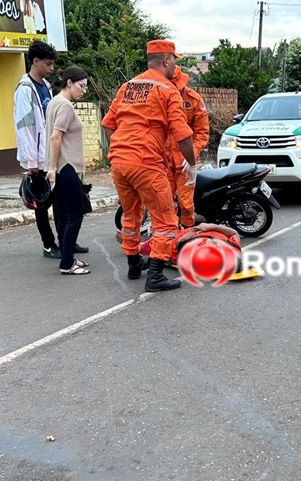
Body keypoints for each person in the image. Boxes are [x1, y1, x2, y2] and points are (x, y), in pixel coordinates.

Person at [102, 39, 197, 292]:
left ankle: (134, 265)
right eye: (174, 59)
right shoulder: (167, 90)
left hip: (119, 163)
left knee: (131, 215)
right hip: (146, 163)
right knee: (165, 221)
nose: (175, 63)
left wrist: (121, 149)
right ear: (166, 60)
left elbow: (108, 124)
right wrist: (192, 164)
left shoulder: (127, 86)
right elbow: (183, 134)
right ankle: (154, 275)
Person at [13, 40, 88, 260]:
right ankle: (49, 244)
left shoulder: (45, 87)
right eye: (48, 64)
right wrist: (31, 162)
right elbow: (24, 126)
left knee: (59, 204)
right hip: (37, 156)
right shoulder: (25, 89)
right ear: (35, 62)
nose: (52, 68)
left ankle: (66, 242)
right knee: (42, 203)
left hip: (49, 153)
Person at [45, 66, 90, 275]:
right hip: (65, 167)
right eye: (81, 86)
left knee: (63, 216)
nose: (84, 90)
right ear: (69, 83)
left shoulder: (54, 101)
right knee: (75, 216)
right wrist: (54, 168)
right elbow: (56, 137)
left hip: (58, 168)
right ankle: (67, 263)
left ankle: (67, 258)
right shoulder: (65, 105)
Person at [168, 66, 209, 228]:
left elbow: (202, 132)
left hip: (185, 162)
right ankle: (168, 235)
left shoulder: (193, 99)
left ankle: (188, 231)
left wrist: (193, 154)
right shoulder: (158, 97)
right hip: (162, 160)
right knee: (165, 203)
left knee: (186, 205)